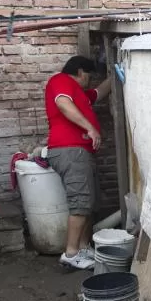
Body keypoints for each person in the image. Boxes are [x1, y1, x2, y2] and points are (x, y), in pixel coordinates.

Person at [44, 56, 112, 270]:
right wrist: (89, 128)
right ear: (80, 72)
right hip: (69, 150)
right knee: (80, 200)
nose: (90, 82)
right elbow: (63, 104)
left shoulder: (80, 95)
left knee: (89, 202)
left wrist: (118, 72)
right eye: (89, 77)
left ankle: (83, 247)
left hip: (80, 152)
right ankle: (71, 253)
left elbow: (100, 92)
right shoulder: (61, 80)